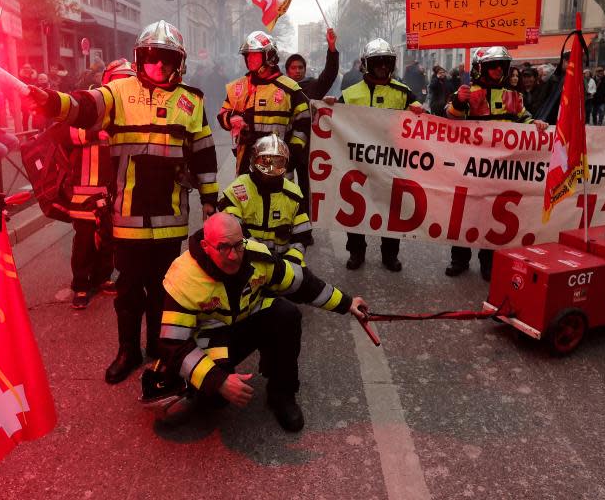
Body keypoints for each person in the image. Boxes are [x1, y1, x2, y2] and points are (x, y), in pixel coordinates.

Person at [30, 20, 219, 384]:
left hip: (170, 215)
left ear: (178, 62)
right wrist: (51, 101)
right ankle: (127, 350)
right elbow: (83, 106)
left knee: (164, 289)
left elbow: (204, 154)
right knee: (129, 289)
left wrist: (210, 201)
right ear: (139, 58)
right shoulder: (117, 91)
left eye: (166, 60)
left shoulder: (192, 100)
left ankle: (159, 348)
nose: (159, 67)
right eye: (151, 59)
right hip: (128, 215)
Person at [143, 212, 369, 432]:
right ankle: (198, 389)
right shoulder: (184, 278)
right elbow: (173, 344)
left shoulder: (256, 255)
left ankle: (282, 393)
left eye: (238, 245)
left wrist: (347, 303)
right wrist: (218, 380)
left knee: (286, 314)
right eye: (223, 247)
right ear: (205, 246)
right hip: (212, 339)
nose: (234, 256)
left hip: (248, 321)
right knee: (214, 401)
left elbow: (302, 283)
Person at [446, 47, 548, 281]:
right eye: (493, 65)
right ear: (480, 68)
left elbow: (524, 117)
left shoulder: (513, 95)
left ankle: (488, 262)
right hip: (470, 168)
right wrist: (459, 103)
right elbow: (449, 119)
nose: (497, 70)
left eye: (501, 66)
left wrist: (536, 124)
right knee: (466, 214)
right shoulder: (467, 92)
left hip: (500, 170)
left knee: (493, 216)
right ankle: (459, 260)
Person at [338, 39, 424, 272]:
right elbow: (333, 122)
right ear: (367, 64)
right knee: (356, 207)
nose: (383, 67)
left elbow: (421, 118)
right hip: (358, 162)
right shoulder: (349, 94)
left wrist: (419, 111)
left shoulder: (403, 92)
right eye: (377, 62)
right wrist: (326, 109)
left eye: (387, 62)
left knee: (391, 210)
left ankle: (390, 254)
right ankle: (356, 252)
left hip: (391, 163)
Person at [61, 60, 134, 309]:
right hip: (86, 186)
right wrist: (97, 134)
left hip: (114, 188)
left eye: (127, 79)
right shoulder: (91, 104)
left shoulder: (129, 108)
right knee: (83, 239)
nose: (123, 84)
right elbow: (67, 133)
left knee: (109, 238)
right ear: (107, 80)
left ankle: (102, 277)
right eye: (119, 78)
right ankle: (80, 285)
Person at [219, 31, 311, 189]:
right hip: (246, 170)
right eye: (247, 56)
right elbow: (222, 116)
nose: (249, 59)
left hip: (280, 171)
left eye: (254, 55)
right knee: (246, 212)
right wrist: (231, 119)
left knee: (280, 211)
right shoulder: (238, 88)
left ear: (269, 56)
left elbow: (304, 122)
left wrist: (292, 154)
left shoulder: (290, 89)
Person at [218, 134, 313, 265]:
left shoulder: (294, 195)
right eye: (266, 160)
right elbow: (232, 231)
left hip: (283, 263)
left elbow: (302, 236)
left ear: (286, 162)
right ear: (254, 160)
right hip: (246, 262)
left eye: (278, 161)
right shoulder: (236, 191)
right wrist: (262, 256)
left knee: (301, 279)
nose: (272, 167)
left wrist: (290, 263)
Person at [284, 27, 339, 203]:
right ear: (287, 71)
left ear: (305, 70)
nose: (297, 71)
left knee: (306, 191)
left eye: (300, 67)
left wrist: (332, 49)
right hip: (286, 148)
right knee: (286, 191)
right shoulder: (280, 90)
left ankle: (305, 225)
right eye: (293, 68)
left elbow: (329, 74)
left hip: (310, 148)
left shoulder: (313, 87)